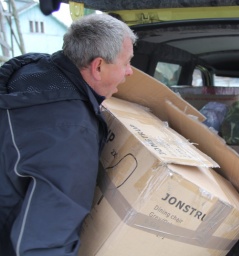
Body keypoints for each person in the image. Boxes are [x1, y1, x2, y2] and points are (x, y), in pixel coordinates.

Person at [0, 13, 137, 255]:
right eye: (126, 63)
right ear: (98, 67)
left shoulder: (32, 71)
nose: (130, 72)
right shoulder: (71, 132)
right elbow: (44, 243)